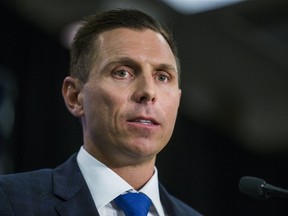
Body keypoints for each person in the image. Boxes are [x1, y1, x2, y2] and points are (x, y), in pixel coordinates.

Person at [0, 9, 202, 215]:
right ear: (75, 96)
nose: (148, 92)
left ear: (178, 100)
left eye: (162, 77)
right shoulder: (9, 200)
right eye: (122, 72)